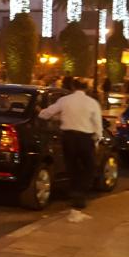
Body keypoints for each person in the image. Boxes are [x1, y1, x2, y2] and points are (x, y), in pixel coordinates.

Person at [38, 78, 103, 209]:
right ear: (87, 89)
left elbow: (46, 114)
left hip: (69, 138)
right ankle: (81, 192)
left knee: (71, 165)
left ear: (73, 87)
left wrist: (40, 111)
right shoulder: (92, 103)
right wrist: (97, 139)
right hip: (85, 138)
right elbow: (97, 124)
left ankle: (74, 191)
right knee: (89, 166)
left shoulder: (65, 100)